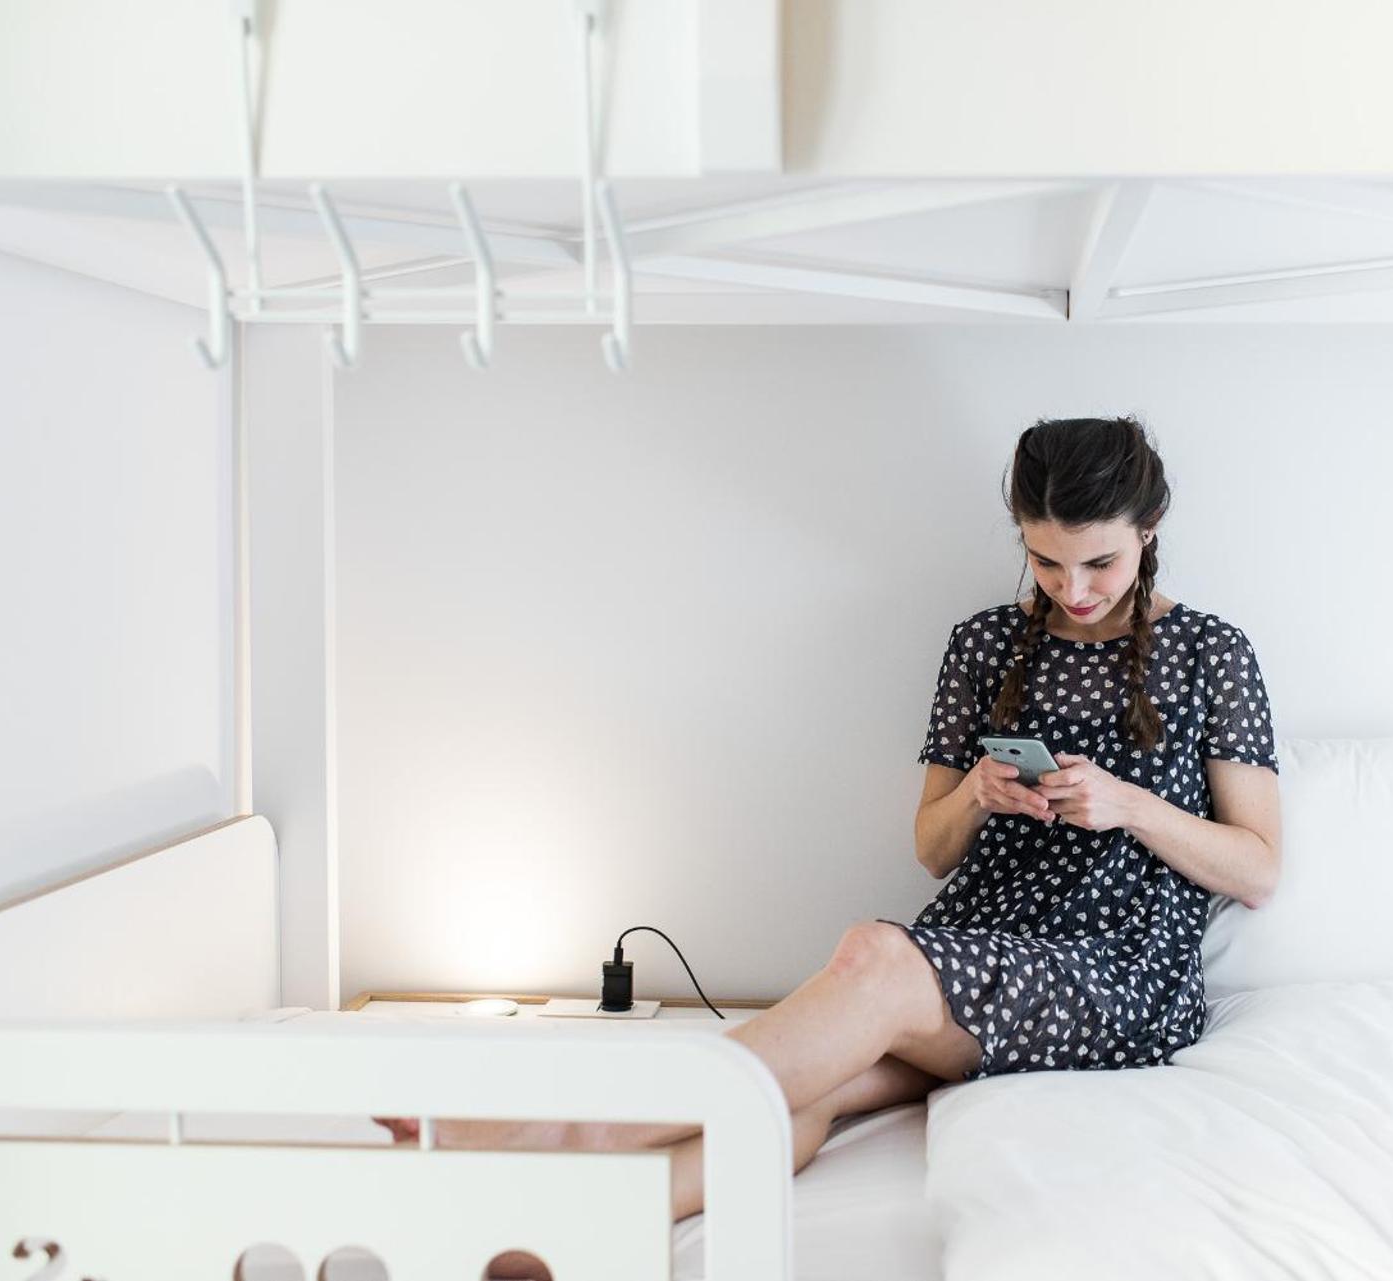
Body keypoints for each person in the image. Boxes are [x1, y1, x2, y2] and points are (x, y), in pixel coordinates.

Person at [375, 415, 1283, 1237]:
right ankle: (548, 1236)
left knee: (870, 957)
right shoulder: (983, 644)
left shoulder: (1212, 652)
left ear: (1147, 532)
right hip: (974, 947)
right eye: (1046, 562)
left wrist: (1130, 805)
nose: (1072, 589)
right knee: (794, 1094)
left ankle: (552, 1126)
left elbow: (1259, 867)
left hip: (1118, 976)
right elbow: (931, 851)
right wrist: (977, 792)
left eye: (1099, 563)